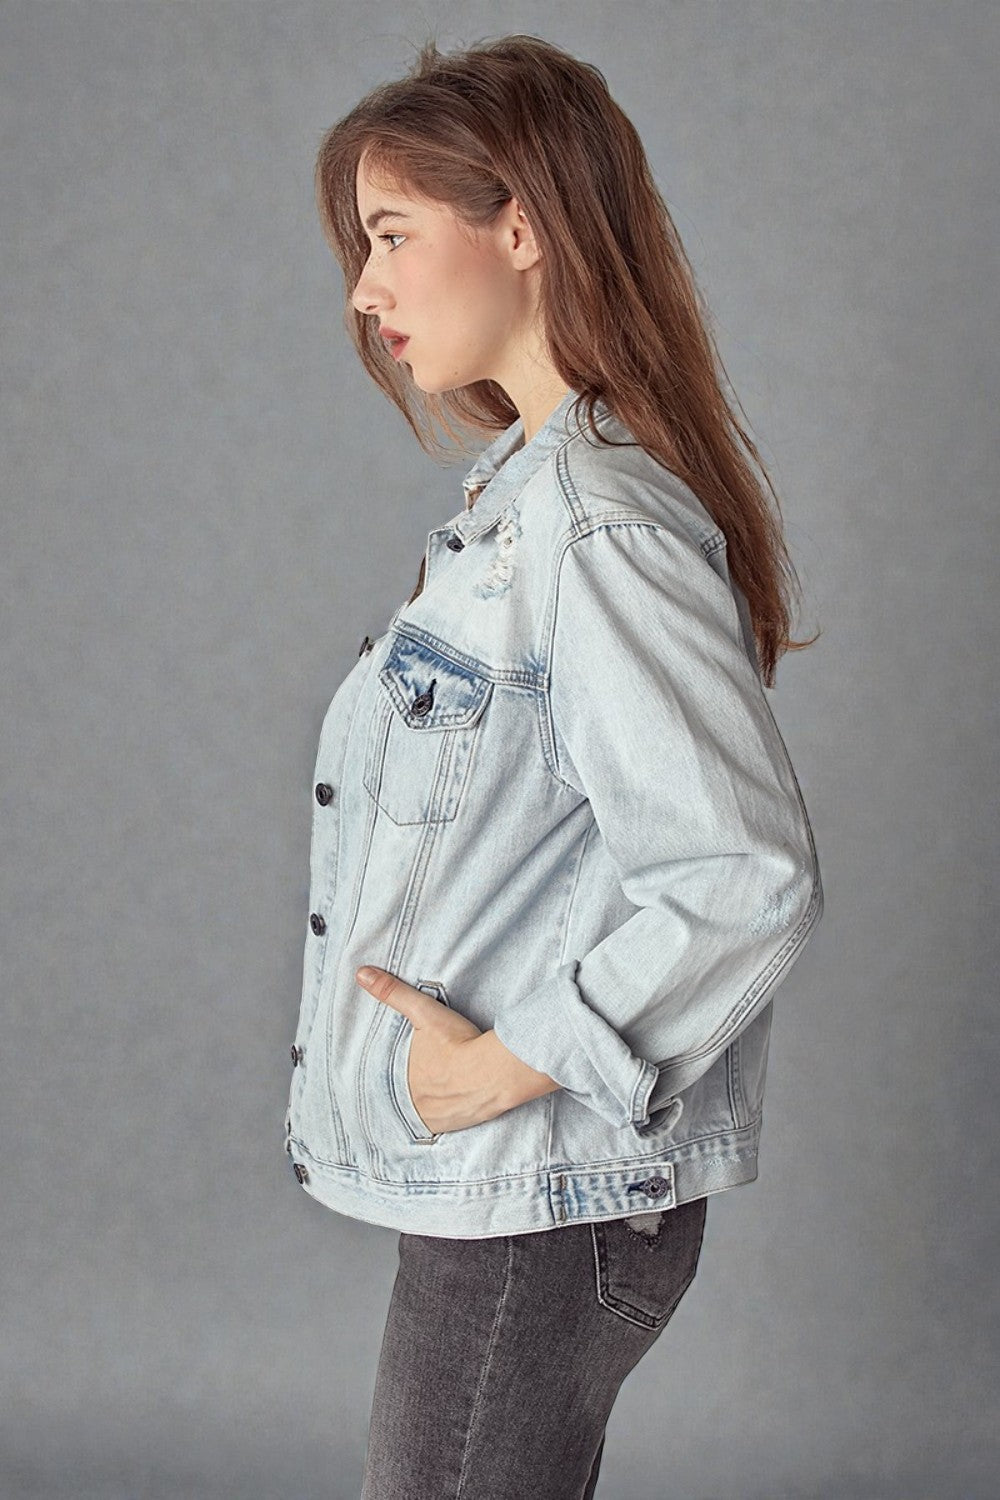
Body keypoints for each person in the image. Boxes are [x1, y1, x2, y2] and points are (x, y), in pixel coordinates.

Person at [285, 33, 824, 1500]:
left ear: (520, 224)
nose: (365, 288)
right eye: (362, 246)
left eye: (392, 233)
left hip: (537, 1198)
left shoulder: (594, 527)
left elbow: (741, 875)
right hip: (503, 1196)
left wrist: (520, 1060)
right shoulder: (520, 508)